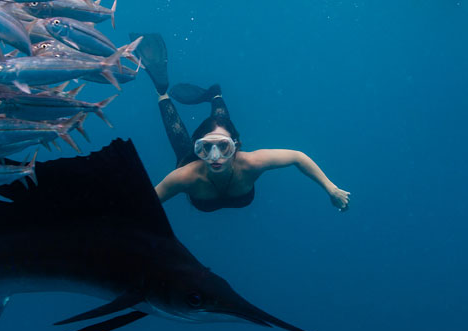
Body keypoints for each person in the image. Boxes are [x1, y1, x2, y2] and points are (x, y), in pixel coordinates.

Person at [131, 33, 351, 212]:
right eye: (206, 147)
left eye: (224, 146)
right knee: (181, 142)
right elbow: (144, 206)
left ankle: (215, 95)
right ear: (198, 148)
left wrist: (331, 189)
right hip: (189, 160)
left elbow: (297, 157)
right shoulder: (184, 176)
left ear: (236, 146)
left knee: (221, 122)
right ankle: (163, 92)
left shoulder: (251, 163)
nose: (215, 156)